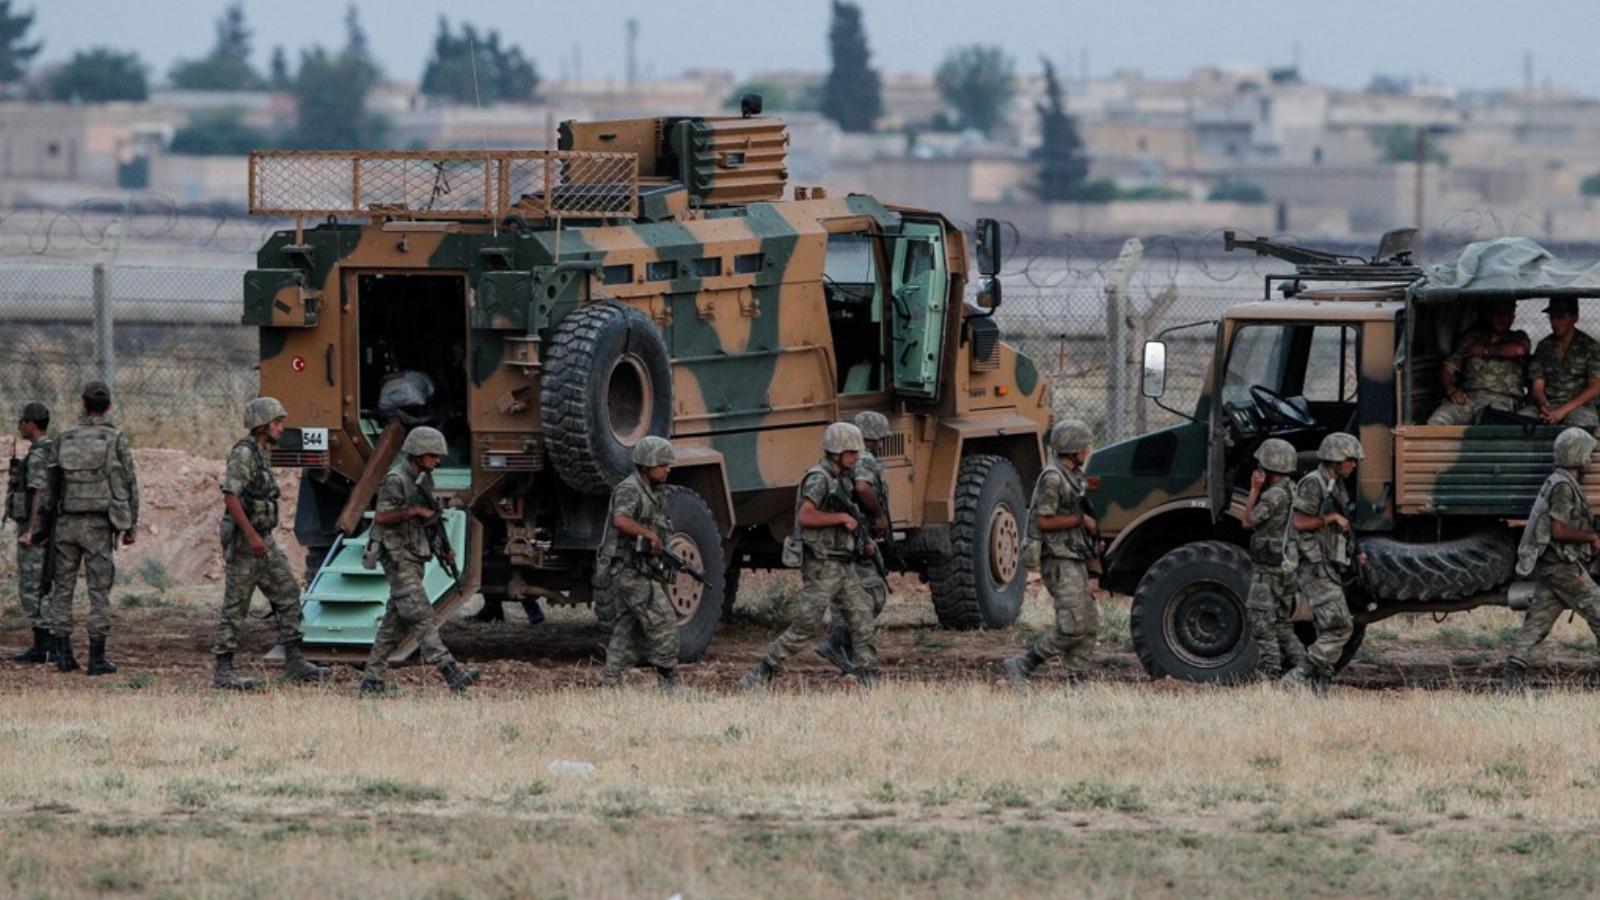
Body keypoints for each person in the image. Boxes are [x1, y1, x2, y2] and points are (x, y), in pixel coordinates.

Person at [739, 422, 879, 691]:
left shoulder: (841, 478)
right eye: (851, 452)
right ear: (836, 452)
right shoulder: (819, 478)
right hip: (822, 565)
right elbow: (805, 516)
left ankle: (868, 678)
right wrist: (841, 518)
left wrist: (863, 541)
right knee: (807, 624)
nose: (856, 457)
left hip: (842, 562)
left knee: (862, 616)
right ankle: (761, 673)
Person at [211, 397, 330, 690]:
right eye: (276, 422)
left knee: (288, 593)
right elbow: (231, 495)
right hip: (246, 543)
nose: (281, 427)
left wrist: (260, 538)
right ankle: (224, 671)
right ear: (262, 425)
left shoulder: (262, 452)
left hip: (264, 541)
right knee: (235, 606)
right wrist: (251, 537)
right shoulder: (244, 454)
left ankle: (294, 660)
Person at [356, 426, 479, 695]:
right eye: (433, 455)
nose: (438, 461)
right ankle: (451, 673)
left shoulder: (423, 480)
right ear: (418, 454)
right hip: (398, 557)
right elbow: (381, 517)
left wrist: (443, 550)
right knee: (422, 617)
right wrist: (413, 511)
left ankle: (371, 681)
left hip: (414, 555)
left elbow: (431, 521)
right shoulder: (396, 480)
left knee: (393, 623)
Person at [47, 381, 138, 675]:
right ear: (108, 406)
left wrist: (44, 526)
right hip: (99, 525)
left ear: (83, 404)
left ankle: (63, 654)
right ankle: (96, 659)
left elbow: (51, 485)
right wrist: (130, 523)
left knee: (62, 589)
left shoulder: (64, 437)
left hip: (66, 523)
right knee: (99, 592)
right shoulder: (115, 438)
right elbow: (129, 482)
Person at [1002, 419, 1099, 690]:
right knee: (1072, 624)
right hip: (1056, 558)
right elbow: (1043, 521)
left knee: (1088, 622)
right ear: (1073, 448)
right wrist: (1081, 520)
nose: (1087, 451)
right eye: (1084, 446)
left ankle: (1076, 682)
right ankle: (1023, 664)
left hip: (1073, 554)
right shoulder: (1053, 478)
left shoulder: (1074, 475)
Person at [1502, 427, 1600, 692]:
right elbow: (1558, 530)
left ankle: (1512, 681)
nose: (1591, 460)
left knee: (1538, 622)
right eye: (1589, 454)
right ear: (1576, 455)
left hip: (1553, 565)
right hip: (1561, 565)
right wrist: (1590, 537)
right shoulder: (1563, 487)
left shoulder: (1561, 480)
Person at [1280, 432, 1364, 695]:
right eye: (1350, 460)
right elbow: (1298, 522)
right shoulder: (1314, 483)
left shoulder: (1335, 483)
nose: (1354, 465)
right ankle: (1298, 677)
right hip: (1313, 566)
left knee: (1325, 628)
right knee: (1340, 626)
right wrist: (1330, 519)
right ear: (1335, 459)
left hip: (1329, 564)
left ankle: (1320, 689)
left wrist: (1354, 552)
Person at [596, 436, 681, 691]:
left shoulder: (655, 492)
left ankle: (611, 684)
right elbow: (621, 520)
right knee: (663, 621)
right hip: (629, 571)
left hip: (640, 569)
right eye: (662, 463)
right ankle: (669, 680)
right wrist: (648, 535)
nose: (668, 468)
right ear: (646, 464)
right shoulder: (630, 489)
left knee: (627, 628)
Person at [815, 410, 892, 675]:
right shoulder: (865, 460)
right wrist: (879, 517)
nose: (881, 444)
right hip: (857, 537)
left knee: (852, 593)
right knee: (872, 594)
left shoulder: (848, 460)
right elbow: (862, 487)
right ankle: (841, 646)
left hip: (852, 537)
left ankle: (845, 650)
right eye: (880, 438)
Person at [1241, 438, 1306, 680]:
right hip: (1287, 565)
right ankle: (1303, 667)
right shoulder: (1293, 489)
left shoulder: (1273, 496)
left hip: (1269, 568)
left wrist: (1254, 490)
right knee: (1281, 622)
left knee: (1260, 621)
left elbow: (1248, 521)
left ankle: (1269, 671)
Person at [1426, 300, 1530, 425]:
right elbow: (1448, 368)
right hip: (1468, 398)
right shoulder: (1472, 339)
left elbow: (1519, 350)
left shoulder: (1518, 337)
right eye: (1497, 313)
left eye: (1507, 313)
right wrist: (1451, 390)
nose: (1501, 319)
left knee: (1491, 429)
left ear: (1513, 317)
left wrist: (1485, 350)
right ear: (1489, 315)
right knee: (1436, 422)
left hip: (1502, 400)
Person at [8, 402, 54, 663]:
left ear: (31, 424)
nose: (19, 425)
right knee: (42, 587)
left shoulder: (37, 456)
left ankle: (43, 646)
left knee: (31, 586)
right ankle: (45, 644)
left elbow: (38, 491)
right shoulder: (50, 450)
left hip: (35, 531)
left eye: (22, 421)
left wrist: (31, 531)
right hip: (46, 530)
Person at [1519, 298, 1600, 427]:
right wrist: (1545, 406)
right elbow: (1537, 386)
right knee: (1520, 421)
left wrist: (1562, 411)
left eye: (1561, 317)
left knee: (1580, 427)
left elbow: (1595, 387)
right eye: (1551, 317)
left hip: (1578, 407)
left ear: (1575, 317)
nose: (1554, 323)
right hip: (1547, 404)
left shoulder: (1590, 347)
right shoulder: (1544, 346)